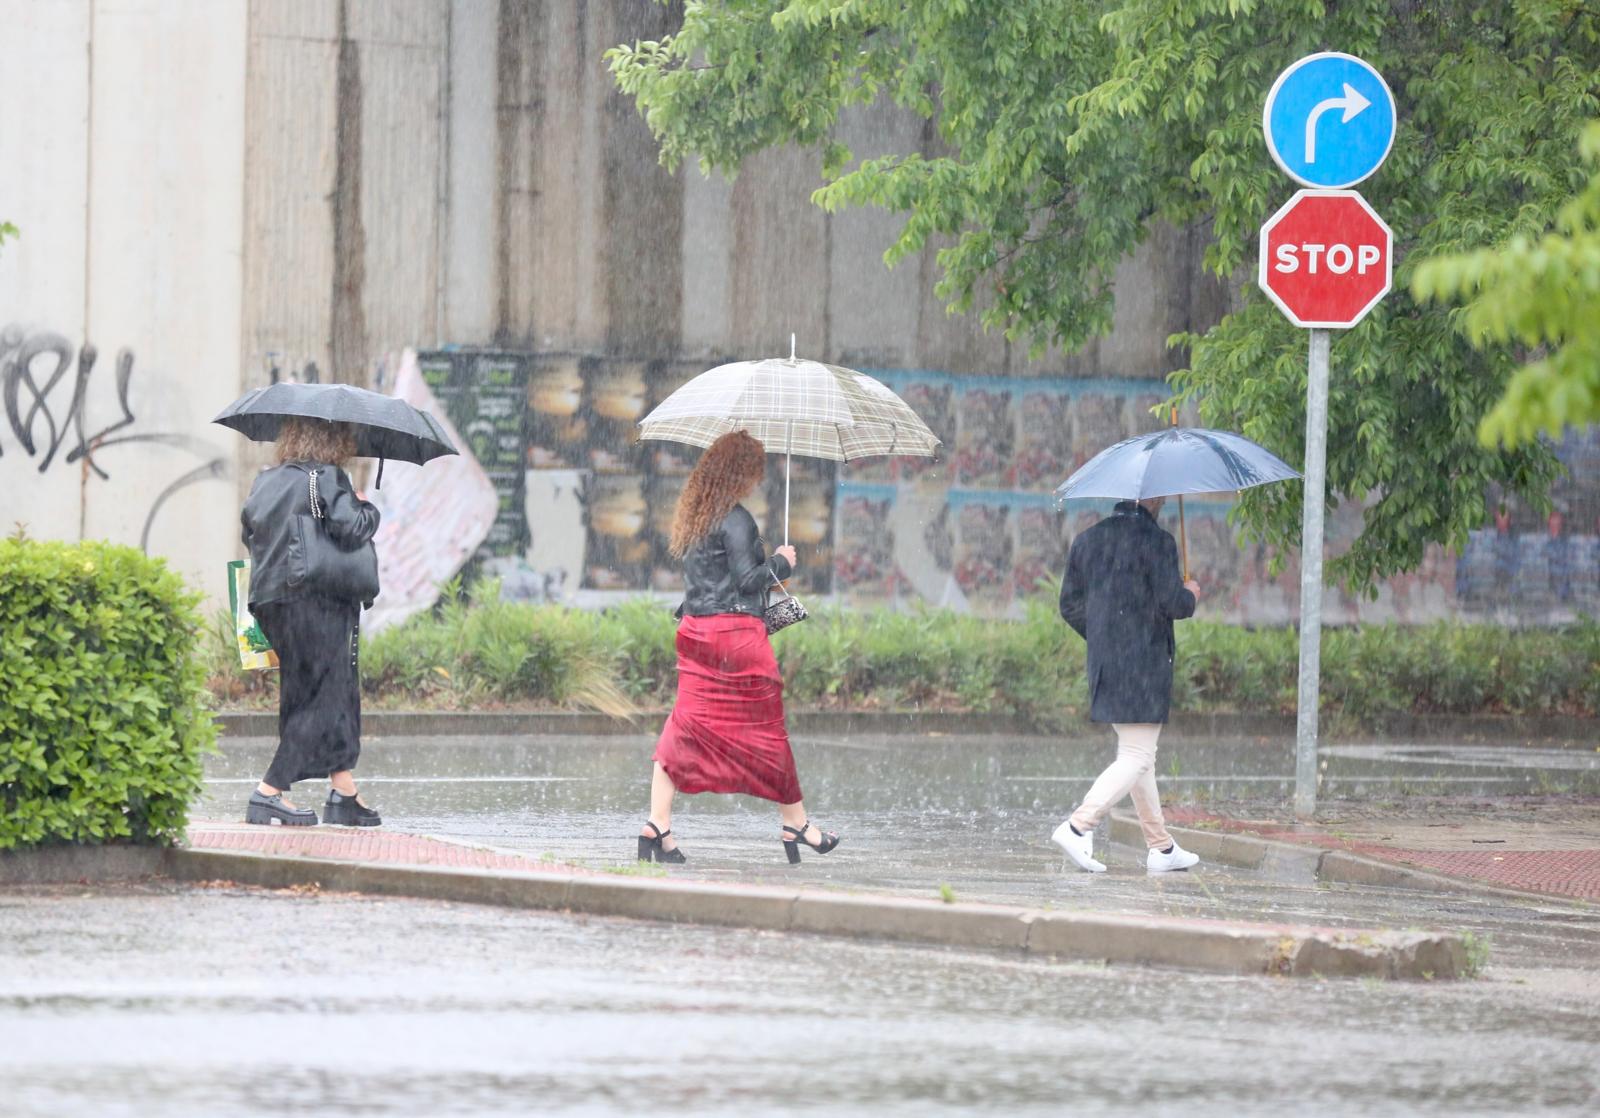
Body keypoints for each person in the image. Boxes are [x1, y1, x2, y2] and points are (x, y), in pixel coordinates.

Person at [639, 430, 840, 865]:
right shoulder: (736, 519)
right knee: (768, 733)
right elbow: (748, 581)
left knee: (684, 728)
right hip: (735, 640)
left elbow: (713, 580)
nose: (755, 481)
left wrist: (768, 571)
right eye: (752, 472)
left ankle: (657, 826)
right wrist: (782, 562)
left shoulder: (695, 516)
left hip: (695, 633)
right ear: (740, 473)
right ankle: (797, 824)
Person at [240, 417, 382, 828]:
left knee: (307, 692)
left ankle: (344, 792)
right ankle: (269, 792)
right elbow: (351, 528)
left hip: (271, 599)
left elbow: (250, 533)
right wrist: (365, 506)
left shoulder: (265, 481)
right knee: (325, 696)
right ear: (333, 441)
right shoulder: (326, 477)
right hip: (314, 599)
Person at [1052, 496, 1202, 873]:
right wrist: (1192, 594)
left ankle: (1161, 847)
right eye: (1161, 495)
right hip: (1144, 666)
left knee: (1139, 758)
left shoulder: (1087, 540)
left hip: (1107, 665)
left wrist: (1105, 637)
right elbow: (1174, 604)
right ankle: (1078, 826)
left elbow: (1069, 604)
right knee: (1136, 757)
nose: (1164, 500)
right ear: (1149, 499)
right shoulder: (1158, 542)